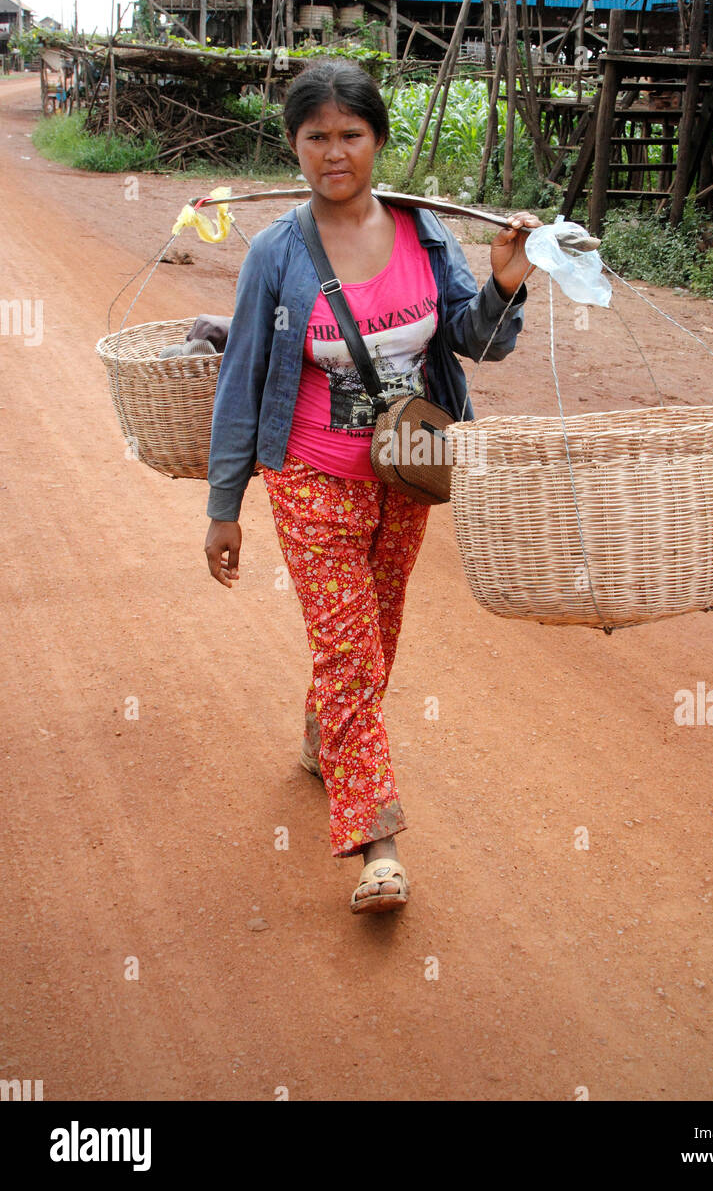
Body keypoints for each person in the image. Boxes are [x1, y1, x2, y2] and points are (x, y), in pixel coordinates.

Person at [204, 58, 540, 913]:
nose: (334, 152)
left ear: (378, 140)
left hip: (408, 473)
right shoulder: (278, 255)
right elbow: (242, 381)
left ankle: (327, 735)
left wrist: (504, 278)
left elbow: (477, 340)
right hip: (311, 476)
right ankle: (376, 844)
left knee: (375, 638)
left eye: (350, 134)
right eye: (315, 136)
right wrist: (224, 509)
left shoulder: (426, 235)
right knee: (351, 651)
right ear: (295, 146)